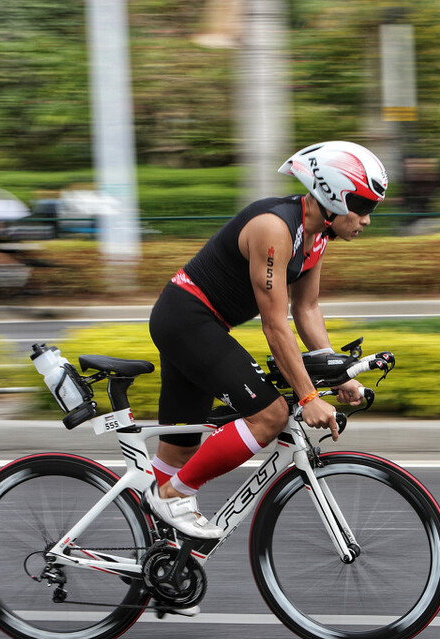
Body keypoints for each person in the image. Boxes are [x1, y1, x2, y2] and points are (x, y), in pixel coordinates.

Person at [145, 140, 385, 552]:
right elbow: (275, 327)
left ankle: (157, 562)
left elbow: (306, 308)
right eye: (363, 207)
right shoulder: (274, 228)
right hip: (186, 319)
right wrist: (308, 395)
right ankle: (172, 496)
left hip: (203, 325)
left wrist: (336, 371)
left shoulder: (316, 236)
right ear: (332, 196)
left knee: (179, 450)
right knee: (270, 415)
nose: (366, 219)